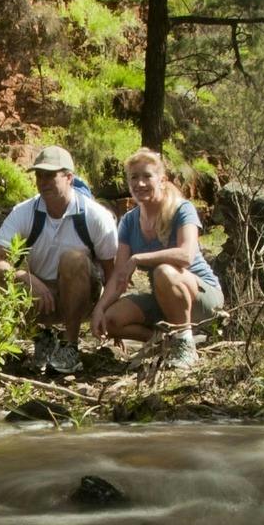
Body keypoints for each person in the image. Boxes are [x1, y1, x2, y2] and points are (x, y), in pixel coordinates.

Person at [0, 145, 119, 374]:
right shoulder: (24, 212)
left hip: (86, 297)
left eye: (50, 175)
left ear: (69, 178)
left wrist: (110, 316)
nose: (43, 182)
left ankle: (70, 346)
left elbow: (112, 273)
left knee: (72, 259)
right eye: (39, 176)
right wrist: (27, 277)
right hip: (42, 294)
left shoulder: (95, 216)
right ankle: (43, 337)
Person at [94, 147, 223, 367]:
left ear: (162, 180)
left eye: (147, 176)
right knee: (111, 319)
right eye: (134, 177)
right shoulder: (129, 221)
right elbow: (119, 276)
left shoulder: (182, 209)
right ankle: (166, 343)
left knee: (165, 271)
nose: (140, 183)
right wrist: (99, 309)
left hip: (202, 296)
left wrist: (139, 258)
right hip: (163, 298)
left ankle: (185, 345)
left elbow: (186, 256)